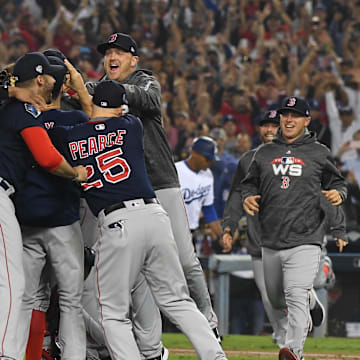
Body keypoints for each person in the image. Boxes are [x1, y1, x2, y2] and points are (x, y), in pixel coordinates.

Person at [50, 80, 228, 360]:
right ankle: (215, 356)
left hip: (117, 221)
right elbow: (101, 118)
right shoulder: (132, 125)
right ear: (121, 106)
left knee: (111, 311)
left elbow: (82, 124)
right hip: (155, 217)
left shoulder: (70, 135)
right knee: (178, 300)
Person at [90, 32, 229, 343]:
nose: (112, 57)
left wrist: (103, 90)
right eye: (108, 52)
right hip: (126, 189)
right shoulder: (97, 89)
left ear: (133, 59)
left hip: (160, 181)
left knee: (184, 258)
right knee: (138, 274)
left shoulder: (145, 80)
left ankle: (209, 322)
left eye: (120, 53)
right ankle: (150, 345)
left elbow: (149, 99)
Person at [223, 96, 347, 360]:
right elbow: (247, 184)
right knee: (277, 300)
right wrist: (247, 197)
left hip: (306, 238)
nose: (288, 119)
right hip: (270, 240)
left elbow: (338, 184)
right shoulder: (263, 153)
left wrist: (339, 198)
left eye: (295, 115)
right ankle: (312, 302)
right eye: (285, 115)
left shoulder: (319, 152)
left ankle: (293, 351)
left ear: (306, 120)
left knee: (294, 295)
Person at [0, 51, 87, 360]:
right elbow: (50, 157)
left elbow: (8, 79)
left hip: (21, 215)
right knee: (63, 299)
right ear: (42, 81)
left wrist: (13, 80)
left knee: (25, 295)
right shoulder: (64, 118)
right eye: (49, 76)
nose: (52, 80)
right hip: (55, 219)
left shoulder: (10, 107)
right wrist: (75, 172)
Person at [223, 109, 288, 346]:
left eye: (274, 125)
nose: (269, 130)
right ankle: (283, 338)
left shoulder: (296, 155)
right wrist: (229, 227)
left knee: (293, 286)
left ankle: (313, 294)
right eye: (265, 125)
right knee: (269, 296)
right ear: (258, 129)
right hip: (258, 240)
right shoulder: (247, 160)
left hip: (290, 236)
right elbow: (235, 196)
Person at [175, 136, 231, 253]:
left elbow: (208, 209)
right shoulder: (175, 171)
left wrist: (221, 236)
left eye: (212, 160)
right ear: (194, 153)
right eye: (207, 159)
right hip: (171, 233)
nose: (210, 163)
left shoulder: (208, 175)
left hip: (191, 234)